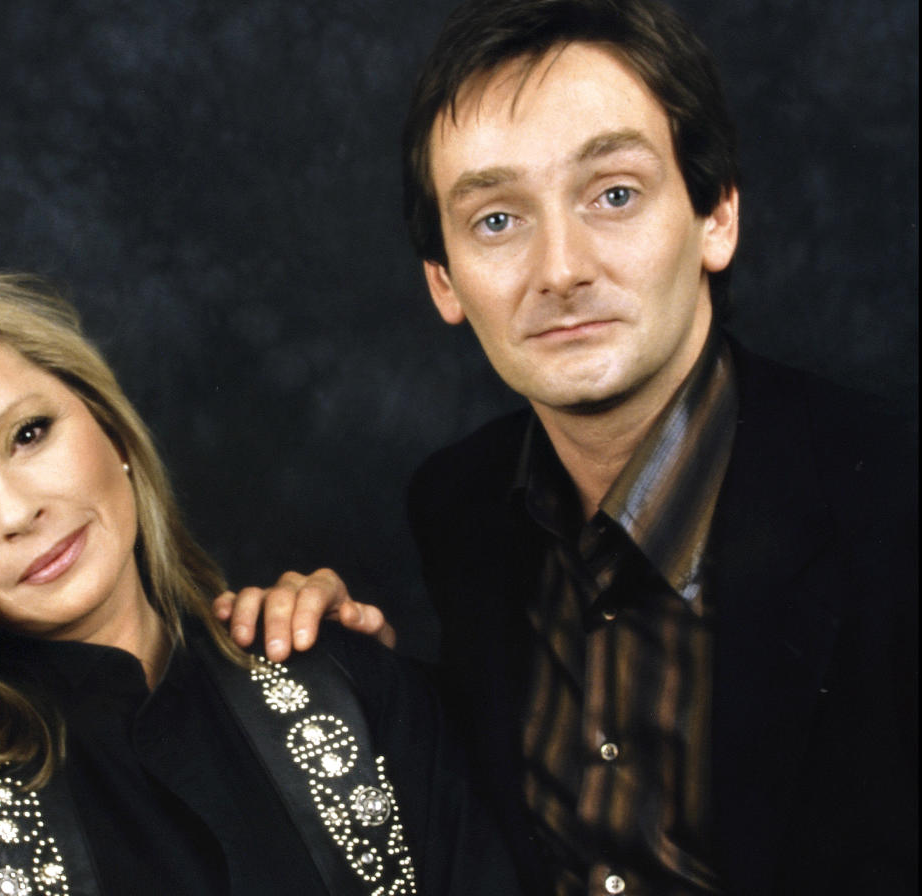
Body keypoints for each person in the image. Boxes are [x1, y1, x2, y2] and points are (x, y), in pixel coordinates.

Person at [214, 0, 919, 893]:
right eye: (496, 220)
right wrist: (369, 688)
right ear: (444, 282)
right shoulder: (460, 504)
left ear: (716, 218)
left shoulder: (891, 503)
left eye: (613, 195)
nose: (560, 269)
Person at [0, 272, 517, 895]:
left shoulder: (341, 679)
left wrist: (352, 670)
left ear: (107, 427)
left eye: (29, 434)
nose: (19, 510)